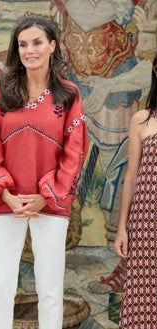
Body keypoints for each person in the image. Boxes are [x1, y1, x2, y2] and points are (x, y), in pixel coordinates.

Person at [0, 15, 89, 329]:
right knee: (1, 285)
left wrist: (45, 196)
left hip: (49, 203)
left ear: (52, 45)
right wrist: (8, 195)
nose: (29, 50)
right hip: (7, 201)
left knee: (49, 288)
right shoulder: (3, 92)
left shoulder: (69, 95)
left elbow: (75, 151)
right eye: (23, 44)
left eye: (37, 42)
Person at [114, 54, 157, 328]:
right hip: (146, 223)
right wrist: (122, 228)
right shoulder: (142, 120)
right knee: (144, 294)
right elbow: (131, 177)